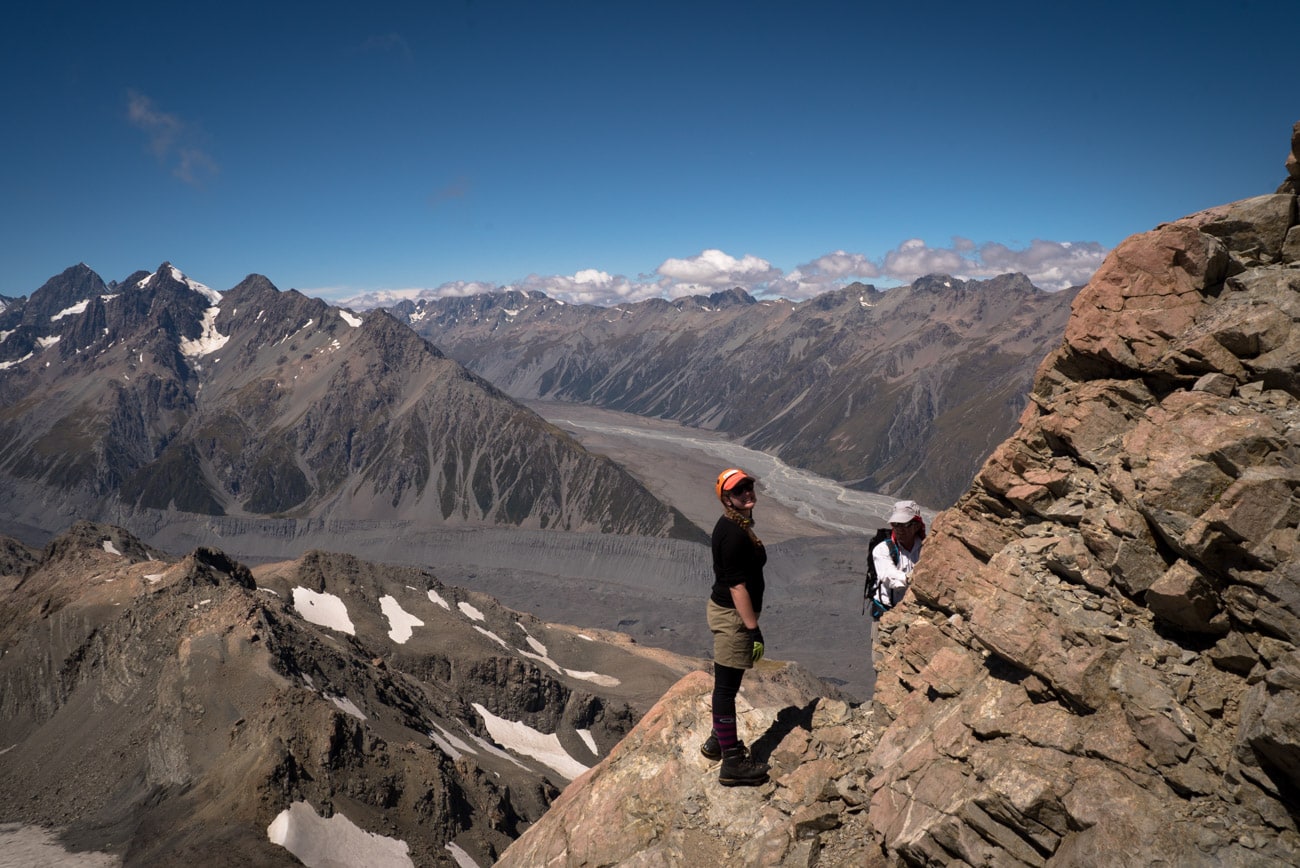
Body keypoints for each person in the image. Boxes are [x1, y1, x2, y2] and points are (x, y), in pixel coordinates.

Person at [701, 467, 771, 787]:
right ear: (726, 498)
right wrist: (752, 628)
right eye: (739, 489)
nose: (747, 492)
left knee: (728, 683)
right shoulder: (731, 534)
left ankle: (719, 739)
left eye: (749, 486)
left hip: (732, 615)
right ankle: (731, 761)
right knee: (726, 689)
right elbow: (737, 586)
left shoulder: (739, 525)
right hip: (733, 618)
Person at [871, 500, 926, 612]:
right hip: (886, 611)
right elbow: (887, 575)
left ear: (916, 526)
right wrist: (909, 578)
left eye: (905, 524)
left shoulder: (927, 547)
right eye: (895, 524)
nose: (899, 529)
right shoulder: (883, 549)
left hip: (915, 609)